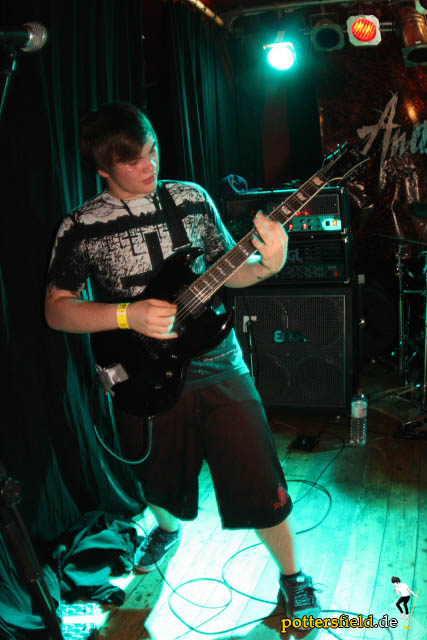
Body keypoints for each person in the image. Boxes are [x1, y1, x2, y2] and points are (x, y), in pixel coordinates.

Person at [45, 102, 320, 627]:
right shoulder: (80, 226)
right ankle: (167, 529)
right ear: (102, 168)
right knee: (156, 474)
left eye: (152, 151)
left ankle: (293, 577)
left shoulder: (190, 199)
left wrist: (269, 264)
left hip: (218, 361)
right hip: (139, 370)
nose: (150, 166)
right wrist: (126, 314)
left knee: (259, 475)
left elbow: (228, 269)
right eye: (133, 161)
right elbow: (56, 310)